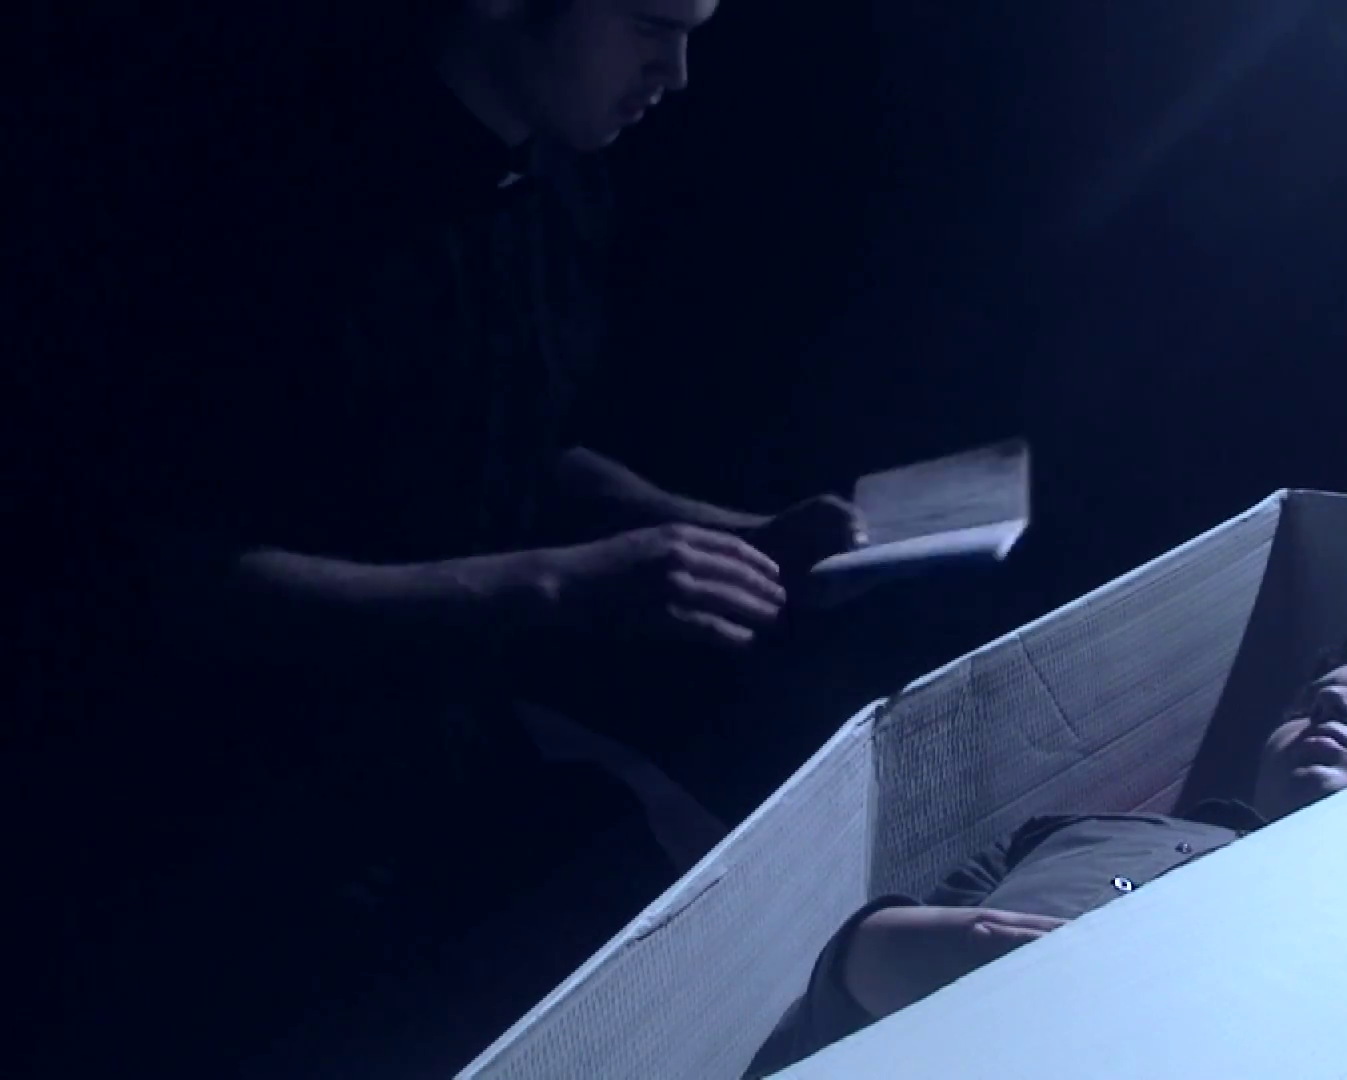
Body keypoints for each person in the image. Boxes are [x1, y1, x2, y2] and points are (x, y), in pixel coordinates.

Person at [22, 1, 860, 1076]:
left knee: (731, 936)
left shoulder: (556, 175)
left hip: (441, 745)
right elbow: (185, 583)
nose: (679, 70)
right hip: (219, 812)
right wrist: (555, 587)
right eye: (652, 23)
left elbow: (517, 441)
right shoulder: (259, 197)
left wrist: (727, 533)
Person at [743, 633, 1347, 1077]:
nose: (1331, 706)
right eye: (1309, 702)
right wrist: (886, 952)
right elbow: (831, 1000)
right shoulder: (1069, 831)